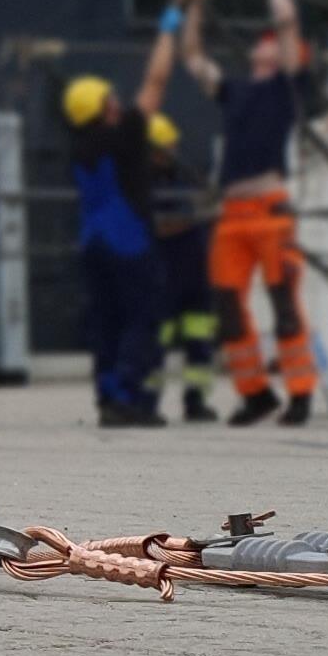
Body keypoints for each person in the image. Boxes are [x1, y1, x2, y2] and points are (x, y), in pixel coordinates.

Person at [173, 0, 317, 426]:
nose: (265, 41)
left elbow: (287, 22)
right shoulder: (236, 89)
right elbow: (192, 56)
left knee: (284, 304)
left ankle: (300, 393)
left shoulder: (286, 87)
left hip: (270, 206)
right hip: (232, 214)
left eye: (271, 40)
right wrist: (191, 5)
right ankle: (256, 393)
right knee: (229, 307)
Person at [62, 17, 178, 429]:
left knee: (106, 323)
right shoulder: (123, 134)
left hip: (93, 242)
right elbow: (157, 81)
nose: (118, 101)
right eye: (111, 98)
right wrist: (169, 26)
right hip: (128, 241)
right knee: (140, 321)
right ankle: (132, 399)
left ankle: (109, 396)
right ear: (102, 106)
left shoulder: (79, 148)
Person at [144, 110, 220, 423]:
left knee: (200, 343)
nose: (172, 152)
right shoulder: (144, 184)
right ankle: (147, 403)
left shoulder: (184, 177)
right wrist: (196, 217)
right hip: (164, 275)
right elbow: (157, 225)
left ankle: (196, 400)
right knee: (156, 343)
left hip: (195, 275)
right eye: (166, 147)